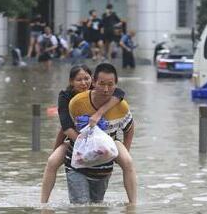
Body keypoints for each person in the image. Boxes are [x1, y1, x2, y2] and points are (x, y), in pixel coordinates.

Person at [40, 64, 137, 204]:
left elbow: (119, 94)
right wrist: (84, 143)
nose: (84, 83)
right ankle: (43, 204)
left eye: (86, 79)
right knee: (52, 161)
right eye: (79, 80)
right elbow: (65, 127)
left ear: (91, 80)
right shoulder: (68, 98)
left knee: (127, 161)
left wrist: (99, 113)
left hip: (108, 139)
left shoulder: (104, 91)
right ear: (71, 82)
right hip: (76, 138)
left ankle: (133, 205)